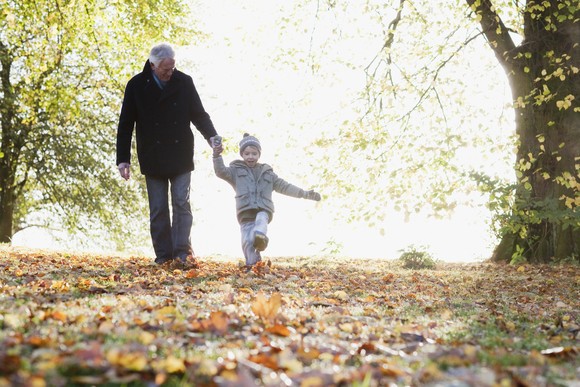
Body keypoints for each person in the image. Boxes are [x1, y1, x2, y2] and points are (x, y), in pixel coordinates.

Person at [116, 43, 220, 266]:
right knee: (158, 207)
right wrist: (123, 159)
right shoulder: (135, 85)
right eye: (165, 69)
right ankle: (163, 255)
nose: (169, 73)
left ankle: (182, 252)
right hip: (152, 154)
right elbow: (125, 124)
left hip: (180, 152)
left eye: (172, 68)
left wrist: (211, 137)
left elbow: (199, 114)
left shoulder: (184, 82)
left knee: (182, 202)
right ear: (153, 65)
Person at [213, 133, 321, 270]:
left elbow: (285, 186)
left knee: (260, 221)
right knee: (247, 241)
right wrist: (216, 156)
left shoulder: (267, 172)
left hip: (263, 209)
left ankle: (260, 237)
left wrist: (304, 194)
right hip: (245, 212)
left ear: (259, 154)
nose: (250, 157)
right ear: (242, 155)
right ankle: (253, 266)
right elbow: (220, 172)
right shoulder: (235, 171)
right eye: (247, 154)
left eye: (254, 153)